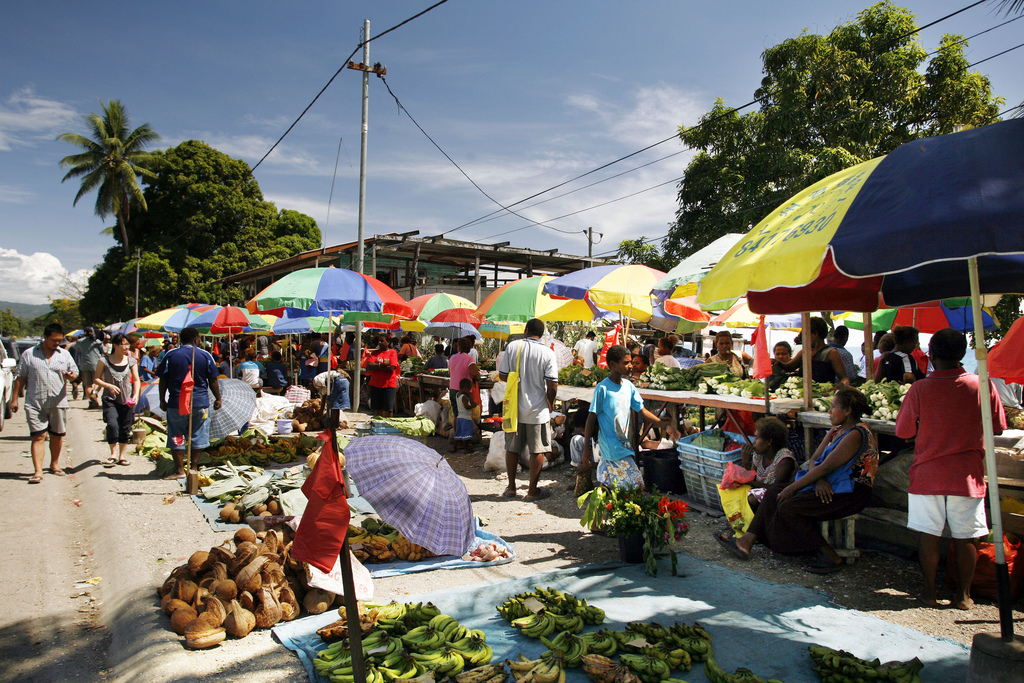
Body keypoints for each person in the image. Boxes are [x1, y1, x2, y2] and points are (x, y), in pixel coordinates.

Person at [895, 328, 1006, 610]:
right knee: (966, 537)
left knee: (928, 535)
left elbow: (904, 430)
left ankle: (929, 593)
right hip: (966, 474)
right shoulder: (982, 385)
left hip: (927, 473)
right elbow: (998, 427)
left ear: (930, 355)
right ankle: (963, 596)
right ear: (961, 354)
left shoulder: (920, 388)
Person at [715, 387, 876, 574]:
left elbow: (825, 466)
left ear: (847, 411)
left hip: (850, 493)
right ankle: (745, 542)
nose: (829, 412)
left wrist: (793, 488)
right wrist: (820, 479)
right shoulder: (836, 431)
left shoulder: (856, 434)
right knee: (774, 492)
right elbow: (815, 460)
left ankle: (830, 556)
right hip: (829, 484)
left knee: (788, 506)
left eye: (833, 407)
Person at [579, 345, 670, 489]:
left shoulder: (629, 386)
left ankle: (600, 511)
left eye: (632, 362)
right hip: (612, 447)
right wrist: (586, 447)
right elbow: (591, 418)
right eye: (626, 363)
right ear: (614, 365)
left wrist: (665, 425)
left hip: (624, 444)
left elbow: (642, 411)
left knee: (608, 487)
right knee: (637, 485)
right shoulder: (603, 388)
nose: (631, 366)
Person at [9, 323, 79, 483]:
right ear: (45, 337)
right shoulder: (29, 355)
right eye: (54, 340)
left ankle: (54, 464)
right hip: (35, 402)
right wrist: (14, 400)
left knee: (57, 436)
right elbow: (20, 378)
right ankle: (38, 471)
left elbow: (75, 372)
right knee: (38, 436)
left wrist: (71, 376)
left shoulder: (64, 355)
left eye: (59, 340)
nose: (57, 343)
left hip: (58, 402)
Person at [498, 317, 558, 500]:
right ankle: (532, 491)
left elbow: (502, 375)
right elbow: (553, 384)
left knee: (512, 449)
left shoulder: (513, 347)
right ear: (541, 335)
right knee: (536, 450)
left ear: (525, 330)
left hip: (514, 409)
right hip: (537, 411)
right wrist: (550, 402)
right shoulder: (547, 353)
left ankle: (511, 488)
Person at [157, 327, 221, 479]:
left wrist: (162, 399)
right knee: (198, 434)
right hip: (200, 403)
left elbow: (163, 380)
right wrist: (218, 398)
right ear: (195, 340)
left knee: (177, 434)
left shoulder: (170, 355)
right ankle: (193, 467)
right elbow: (213, 380)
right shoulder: (205, 355)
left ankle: (180, 471)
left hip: (177, 402)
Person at [92, 333, 141, 467]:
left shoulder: (131, 361)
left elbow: (136, 380)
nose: (126, 347)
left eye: (127, 344)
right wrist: (108, 385)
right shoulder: (104, 360)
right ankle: (113, 454)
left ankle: (122, 456)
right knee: (112, 424)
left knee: (125, 427)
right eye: (123, 344)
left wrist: (136, 395)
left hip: (127, 399)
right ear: (115, 345)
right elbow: (96, 379)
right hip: (110, 399)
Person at [740, 417, 796, 510]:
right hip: (762, 491)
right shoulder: (758, 455)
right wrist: (745, 461)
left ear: (769, 441)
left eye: (757, 438)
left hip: (780, 496)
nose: (753, 442)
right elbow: (752, 476)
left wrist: (748, 482)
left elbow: (776, 489)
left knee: (752, 498)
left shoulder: (784, 459)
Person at [780, 317, 849, 385]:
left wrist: (833, 390)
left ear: (815, 334)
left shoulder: (831, 353)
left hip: (823, 395)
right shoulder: (804, 352)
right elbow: (789, 367)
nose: (804, 337)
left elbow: (844, 379)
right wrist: (777, 363)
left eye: (806, 333)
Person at [362, 334, 399, 417]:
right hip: (376, 384)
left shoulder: (392, 352)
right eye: (379, 341)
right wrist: (382, 365)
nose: (379, 342)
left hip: (389, 384)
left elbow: (391, 368)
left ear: (388, 342)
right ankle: (379, 425)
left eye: (382, 341)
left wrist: (377, 366)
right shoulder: (374, 353)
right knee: (378, 408)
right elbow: (369, 366)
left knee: (388, 409)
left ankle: (388, 426)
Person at [448, 337, 480, 422]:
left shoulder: (452, 357)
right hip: (463, 390)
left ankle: (457, 434)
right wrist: (476, 378)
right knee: (464, 415)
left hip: (452, 389)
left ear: (459, 347)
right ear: (469, 348)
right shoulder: (469, 358)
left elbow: (450, 372)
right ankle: (464, 434)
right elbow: (476, 374)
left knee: (456, 415)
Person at [74, 327, 106, 409]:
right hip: (96, 364)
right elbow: (105, 351)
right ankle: (94, 393)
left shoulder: (80, 342)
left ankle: (91, 402)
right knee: (99, 381)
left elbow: (77, 348)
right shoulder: (97, 342)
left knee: (87, 385)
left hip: (84, 365)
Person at [452, 378, 476, 452]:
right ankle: (466, 448)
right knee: (466, 433)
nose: (469, 392)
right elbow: (466, 407)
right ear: (465, 388)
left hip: (459, 417)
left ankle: (454, 447)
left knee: (458, 433)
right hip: (465, 418)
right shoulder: (464, 397)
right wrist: (472, 405)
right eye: (469, 390)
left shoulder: (457, 395)